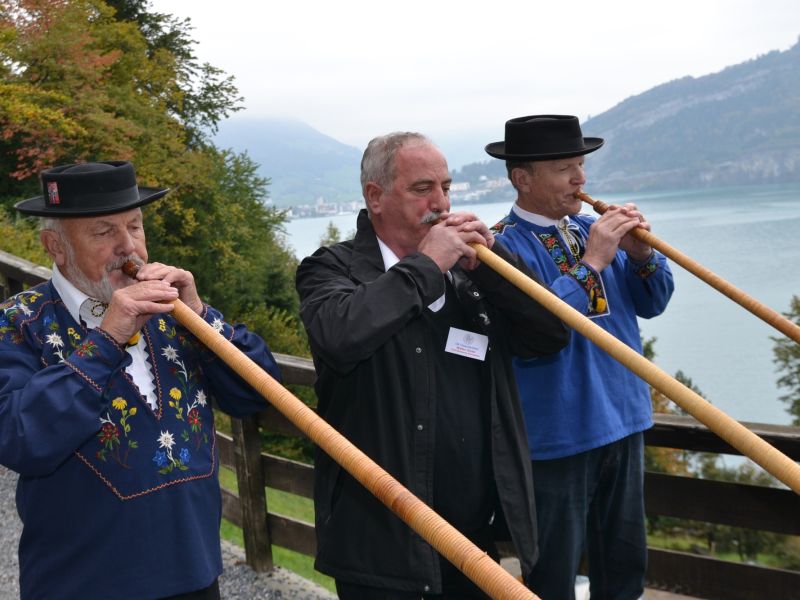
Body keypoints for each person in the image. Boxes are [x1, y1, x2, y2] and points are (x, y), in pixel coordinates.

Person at [295, 132, 569, 599]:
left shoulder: (471, 271)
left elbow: (549, 335)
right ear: (375, 197)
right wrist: (427, 264)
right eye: (423, 189)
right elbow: (340, 335)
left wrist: (494, 266)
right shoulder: (330, 268)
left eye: (446, 187)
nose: (440, 203)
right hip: (380, 544)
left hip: (472, 540)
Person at [0, 161, 281, 599]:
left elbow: (257, 394)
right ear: (56, 246)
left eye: (135, 226)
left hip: (197, 579)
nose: (128, 247)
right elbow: (19, 438)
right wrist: (108, 338)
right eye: (104, 232)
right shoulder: (17, 322)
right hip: (82, 587)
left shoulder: (176, 313)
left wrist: (201, 317)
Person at [486, 115, 675, 599]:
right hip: (556, 437)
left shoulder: (594, 229)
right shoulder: (500, 247)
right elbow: (539, 325)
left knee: (625, 567)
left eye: (581, 165)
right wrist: (592, 262)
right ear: (522, 178)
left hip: (624, 420)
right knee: (553, 574)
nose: (580, 179)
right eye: (564, 169)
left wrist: (641, 255)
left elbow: (654, 302)